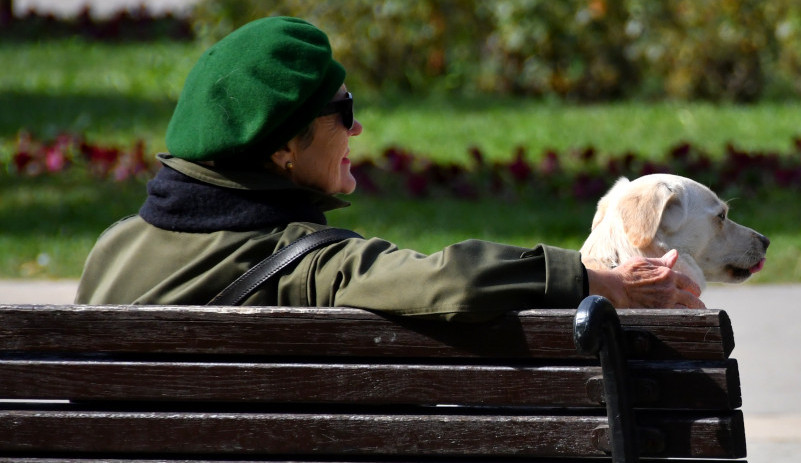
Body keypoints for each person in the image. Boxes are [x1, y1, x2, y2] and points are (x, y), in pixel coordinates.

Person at [76, 16, 704, 321]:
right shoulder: (306, 263)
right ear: (281, 150)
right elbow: (447, 283)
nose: (357, 128)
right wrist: (599, 281)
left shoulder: (113, 249)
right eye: (342, 111)